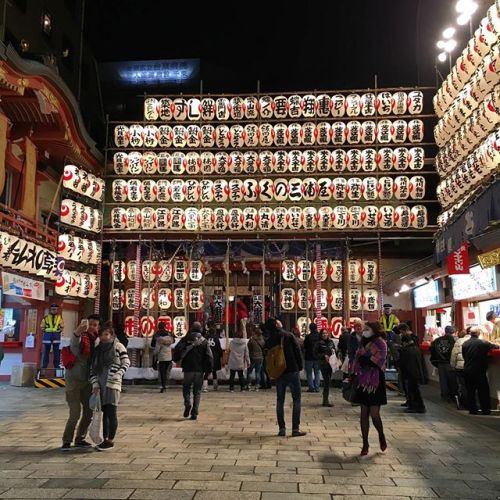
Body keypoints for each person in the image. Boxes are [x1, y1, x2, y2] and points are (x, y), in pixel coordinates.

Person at [61, 314, 100, 451]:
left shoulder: (96, 341)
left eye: (95, 325)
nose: (93, 327)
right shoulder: (80, 338)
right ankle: (66, 440)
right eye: (91, 324)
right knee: (75, 413)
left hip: (87, 381)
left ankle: (80, 439)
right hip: (73, 380)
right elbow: (74, 341)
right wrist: (78, 330)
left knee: (89, 412)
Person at [90, 323, 130, 451]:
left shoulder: (118, 346)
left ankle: (110, 440)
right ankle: (104, 438)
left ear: (112, 335)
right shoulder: (97, 349)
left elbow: (126, 362)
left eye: (106, 334)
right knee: (104, 412)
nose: (103, 337)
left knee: (111, 411)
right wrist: (95, 383)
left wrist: (118, 374)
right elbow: (93, 369)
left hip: (112, 384)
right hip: (100, 385)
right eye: (101, 334)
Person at [264, 318, 306, 437]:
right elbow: (297, 350)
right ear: (277, 324)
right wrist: (300, 366)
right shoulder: (288, 335)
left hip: (279, 372)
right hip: (292, 370)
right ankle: (295, 429)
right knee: (296, 399)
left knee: (280, 400)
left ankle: (282, 428)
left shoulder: (269, 340)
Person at [352, 321, 388, 456]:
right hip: (363, 380)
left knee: (374, 414)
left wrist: (365, 359)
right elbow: (357, 359)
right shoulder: (362, 342)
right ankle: (365, 444)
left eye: (367, 329)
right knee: (363, 413)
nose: (364, 331)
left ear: (374, 330)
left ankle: (381, 435)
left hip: (376, 381)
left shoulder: (381, 343)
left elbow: (379, 361)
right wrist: (364, 360)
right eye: (364, 329)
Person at [173, 321, 213, 420]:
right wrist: (209, 369)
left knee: (186, 388)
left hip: (188, 368)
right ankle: (194, 412)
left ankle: (187, 403)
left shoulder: (185, 339)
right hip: (199, 369)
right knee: (197, 391)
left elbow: (177, 350)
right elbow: (209, 356)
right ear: (201, 329)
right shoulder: (204, 341)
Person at [462, 327, 499, 415]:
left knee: (470, 391)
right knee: (483, 391)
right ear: (478, 333)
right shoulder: (483, 343)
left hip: (467, 370)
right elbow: (495, 347)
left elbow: (464, 356)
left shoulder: (465, 344)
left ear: (470, 334)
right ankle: (485, 410)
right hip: (479, 370)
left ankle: (472, 410)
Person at [430, 325, 457, 402]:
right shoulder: (454, 341)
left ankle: (445, 396)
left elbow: (432, 349)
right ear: (454, 332)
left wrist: (436, 361)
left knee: (443, 381)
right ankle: (453, 397)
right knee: (452, 381)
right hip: (450, 363)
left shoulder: (437, 340)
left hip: (440, 363)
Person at [399, 334, 426, 413]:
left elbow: (402, 363)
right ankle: (419, 406)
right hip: (417, 372)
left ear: (404, 342)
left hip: (409, 373)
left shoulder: (405, 351)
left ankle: (413, 406)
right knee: (416, 390)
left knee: (411, 390)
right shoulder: (417, 349)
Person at [313, 328, 336, 407]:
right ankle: (325, 400)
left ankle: (325, 399)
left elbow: (334, 350)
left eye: (326, 333)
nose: (325, 335)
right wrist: (323, 356)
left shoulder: (331, 342)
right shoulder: (318, 343)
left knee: (328, 381)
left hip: (331, 364)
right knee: (327, 381)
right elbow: (315, 354)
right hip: (323, 364)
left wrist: (335, 352)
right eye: (323, 333)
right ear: (321, 335)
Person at [450, 328, 471, 410]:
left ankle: (465, 403)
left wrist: (453, 365)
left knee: (463, 385)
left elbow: (454, 355)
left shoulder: (459, 341)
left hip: (460, 367)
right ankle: (472, 402)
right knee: (471, 385)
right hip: (471, 366)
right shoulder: (477, 340)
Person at [40, 303, 64, 370]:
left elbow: (62, 326)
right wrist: (46, 331)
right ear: (50, 309)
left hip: (56, 336)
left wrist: (58, 331)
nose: (54, 310)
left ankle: (57, 368)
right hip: (48, 336)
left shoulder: (59, 318)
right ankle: (44, 368)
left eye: (55, 309)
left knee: (56, 354)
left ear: (57, 309)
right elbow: (42, 326)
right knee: (46, 353)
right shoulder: (46, 317)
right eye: (53, 309)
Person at [151, 322, 174, 393]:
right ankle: (166, 384)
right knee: (167, 371)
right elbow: (173, 341)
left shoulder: (158, 338)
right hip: (169, 357)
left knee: (162, 372)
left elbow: (156, 348)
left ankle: (163, 386)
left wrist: (154, 354)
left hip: (162, 358)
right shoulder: (170, 337)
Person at [204, 327, 223, 391]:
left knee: (206, 371)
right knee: (214, 371)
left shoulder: (205, 338)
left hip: (207, 356)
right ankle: (215, 385)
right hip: (215, 356)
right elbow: (218, 348)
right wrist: (220, 355)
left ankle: (205, 386)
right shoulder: (216, 338)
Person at [303, 322, 321, 392]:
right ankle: (317, 387)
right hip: (317, 357)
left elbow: (305, 347)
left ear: (310, 329)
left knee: (309, 373)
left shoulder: (308, 337)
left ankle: (311, 387)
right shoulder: (319, 336)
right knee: (317, 372)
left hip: (309, 357)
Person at [247, 326, 265, 390]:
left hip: (252, 357)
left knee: (250, 371)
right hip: (260, 357)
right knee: (258, 372)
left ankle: (249, 385)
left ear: (255, 333)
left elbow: (249, 348)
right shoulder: (263, 340)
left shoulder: (252, 340)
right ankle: (257, 385)